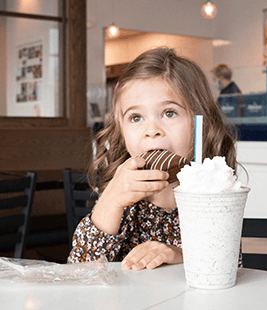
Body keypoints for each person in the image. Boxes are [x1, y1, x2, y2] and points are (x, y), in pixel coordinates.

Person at [67, 47, 240, 270]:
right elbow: (79, 270)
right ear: (121, 130)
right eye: (136, 117)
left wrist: (182, 255)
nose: (151, 130)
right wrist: (111, 200)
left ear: (200, 123)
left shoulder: (213, 193)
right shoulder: (124, 198)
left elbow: (229, 264)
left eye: (169, 113)